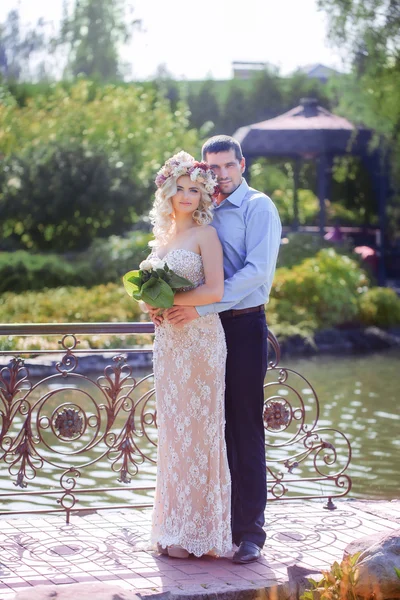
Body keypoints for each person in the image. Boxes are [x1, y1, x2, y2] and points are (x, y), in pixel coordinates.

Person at [162, 135, 282, 564]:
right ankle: (212, 524)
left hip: (244, 326)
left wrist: (200, 305)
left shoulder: (258, 207)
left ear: (242, 164)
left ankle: (250, 532)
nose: (221, 175)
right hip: (203, 332)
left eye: (228, 166)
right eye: (212, 169)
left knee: (244, 426)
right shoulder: (204, 210)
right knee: (207, 426)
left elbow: (255, 274)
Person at [145, 151, 232, 559]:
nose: (185, 195)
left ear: (203, 196)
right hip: (169, 346)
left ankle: (198, 534)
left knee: (198, 433)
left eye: (194, 190)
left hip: (199, 342)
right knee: (174, 434)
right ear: (167, 191)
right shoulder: (161, 240)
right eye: (179, 188)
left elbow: (215, 291)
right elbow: (154, 289)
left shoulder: (205, 235)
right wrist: (152, 305)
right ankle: (171, 527)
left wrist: (176, 301)